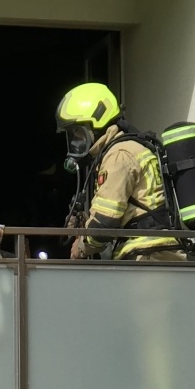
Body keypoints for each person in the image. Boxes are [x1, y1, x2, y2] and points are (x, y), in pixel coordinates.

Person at [55, 83, 184, 262]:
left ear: (96, 123)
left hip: (148, 255)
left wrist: (81, 247)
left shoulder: (118, 155)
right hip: (151, 252)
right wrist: (84, 224)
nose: (76, 140)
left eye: (77, 131)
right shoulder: (122, 149)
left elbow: (105, 222)